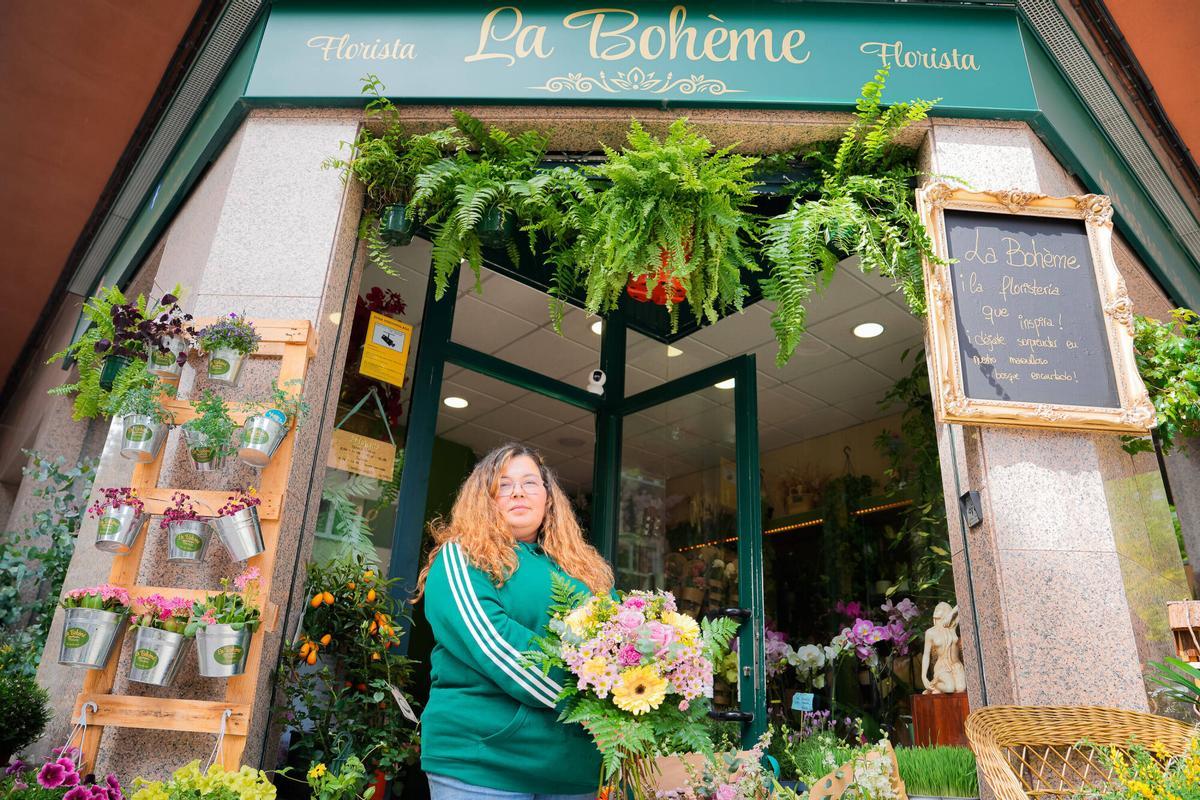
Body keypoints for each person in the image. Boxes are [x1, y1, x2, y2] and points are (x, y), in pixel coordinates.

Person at [412, 443, 615, 800]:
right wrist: (594, 696)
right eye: (503, 485)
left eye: (530, 483)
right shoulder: (461, 557)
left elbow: (620, 639)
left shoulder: (586, 569)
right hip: (486, 762)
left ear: (549, 498)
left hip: (575, 769)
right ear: (484, 499)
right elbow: (497, 646)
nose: (518, 492)